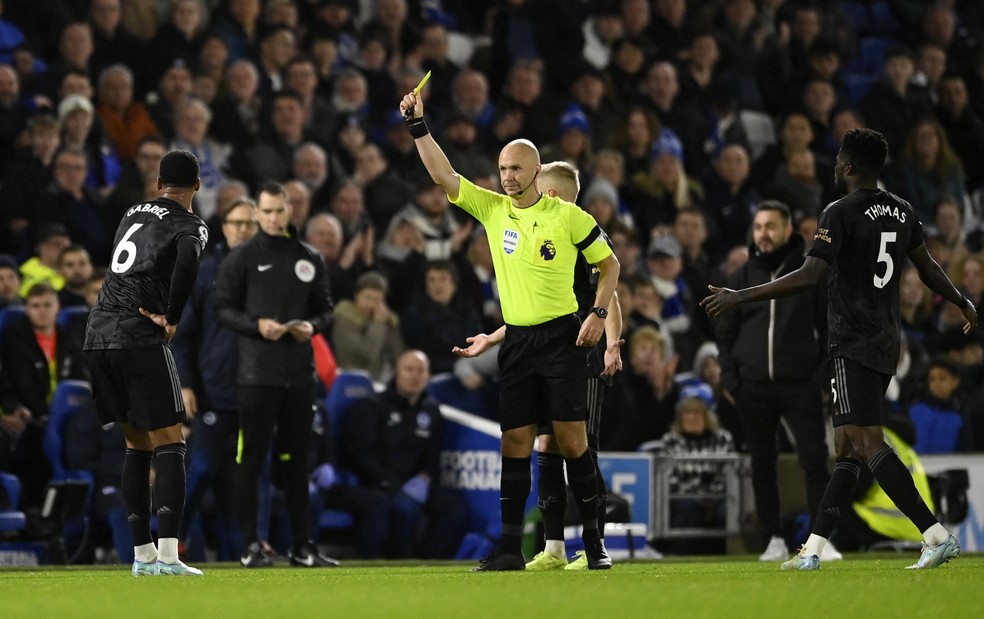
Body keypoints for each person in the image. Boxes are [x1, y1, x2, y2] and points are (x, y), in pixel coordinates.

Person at [702, 128, 978, 570]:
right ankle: (811, 550)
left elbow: (810, 275)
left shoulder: (840, 211)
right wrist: (963, 300)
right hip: (886, 340)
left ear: (849, 167)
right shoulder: (903, 210)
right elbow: (927, 269)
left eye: (837, 162)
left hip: (852, 340)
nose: (834, 168)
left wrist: (741, 295)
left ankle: (935, 534)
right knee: (847, 447)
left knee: (867, 442)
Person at [400, 89, 619, 571]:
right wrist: (419, 127)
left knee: (572, 442)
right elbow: (444, 176)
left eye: (516, 168)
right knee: (515, 443)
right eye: (503, 169)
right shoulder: (494, 210)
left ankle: (595, 545)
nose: (508, 176)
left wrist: (599, 316)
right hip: (518, 342)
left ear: (537, 172)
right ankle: (507, 550)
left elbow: (611, 266)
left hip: (563, 339)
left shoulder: (568, 216)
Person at [453, 161, 624, 571]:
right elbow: (530, 311)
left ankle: (594, 545)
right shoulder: (539, 233)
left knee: (579, 446)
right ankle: (553, 546)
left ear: (551, 193)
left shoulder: (577, 234)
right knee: (546, 445)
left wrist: (612, 344)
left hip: (580, 351)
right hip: (540, 347)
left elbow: (611, 295)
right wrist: (495, 337)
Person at [82, 149, 208, 576]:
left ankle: (143, 556)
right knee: (171, 441)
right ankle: (170, 557)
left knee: (136, 444)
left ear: (158, 184)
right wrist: (171, 318)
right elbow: (188, 261)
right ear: (197, 185)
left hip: (98, 334)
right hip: (138, 335)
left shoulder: (133, 210)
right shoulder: (191, 224)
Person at [214, 181, 339, 568]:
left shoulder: (309, 257)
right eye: (265, 211)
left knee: (297, 462)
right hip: (255, 376)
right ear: (256, 213)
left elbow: (326, 309)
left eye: (278, 211)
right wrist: (257, 325)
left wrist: (312, 327)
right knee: (251, 460)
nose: (271, 218)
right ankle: (250, 543)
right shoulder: (240, 259)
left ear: (290, 211)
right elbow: (222, 308)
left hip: (299, 375)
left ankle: (302, 545)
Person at [714, 200, 832, 563]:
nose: (763, 234)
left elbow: (828, 329)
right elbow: (725, 333)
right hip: (753, 388)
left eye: (771, 226)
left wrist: (818, 378)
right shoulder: (742, 276)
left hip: (800, 384)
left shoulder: (808, 273)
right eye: (758, 227)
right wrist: (732, 379)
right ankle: (773, 538)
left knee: (814, 459)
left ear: (788, 230)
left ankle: (820, 540)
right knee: (761, 463)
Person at [170, 197, 258, 562]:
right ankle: (174, 541)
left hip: (257, 388)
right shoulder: (206, 271)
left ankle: (251, 547)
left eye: (249, 224)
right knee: (202, 468)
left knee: (250, 476)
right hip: (213, 389)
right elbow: (185, 333)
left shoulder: (271, 271)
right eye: (237, 223)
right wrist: (186, 383)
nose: (243, 230)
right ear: (223, 227)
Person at [337, 349, 468, 558]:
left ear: (429, 376)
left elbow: (433, 454)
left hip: (412, 483)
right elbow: (357, 452)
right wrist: (385, 480)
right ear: (396, 373)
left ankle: (428, 560)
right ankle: (393, 557)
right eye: (408, 370)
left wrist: (425, 478)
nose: (415, 376)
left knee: (454, 509)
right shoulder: (372, 406)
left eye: (421, 370)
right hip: (378, 481)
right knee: (403, 507)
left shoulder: (431, 411)